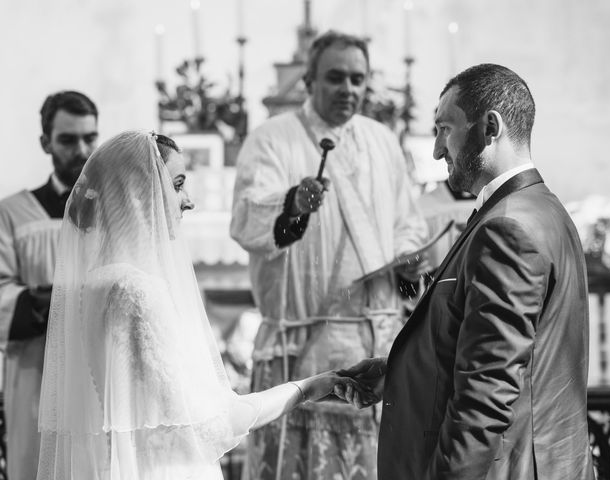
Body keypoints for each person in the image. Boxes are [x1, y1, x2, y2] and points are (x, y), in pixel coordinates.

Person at [36, 131, 361, 480]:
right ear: (138, 194)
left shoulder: (92, 284)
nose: (188, 201)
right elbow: (213, 429)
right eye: (177, 185)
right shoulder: (137, 290)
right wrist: (310, 387)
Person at [336, 64, 596, 479]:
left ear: (489, 127)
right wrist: (400, 372)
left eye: (445, 129)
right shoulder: (543, 208)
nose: (438, 150)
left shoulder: (508, 228)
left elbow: (487, 393)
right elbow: (496, 350)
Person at [230, 31, 428, 479]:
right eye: (335, 77)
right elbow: (245, 218)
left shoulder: (382, 140)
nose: (348, 89)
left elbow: (407, 223)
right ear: (309, 80)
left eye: (358, 79)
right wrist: (293, 205)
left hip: (376, 346)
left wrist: (408, 261)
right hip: (300, 346)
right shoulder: (271, 141)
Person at [0, 90, 98, 480]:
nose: (82, 149)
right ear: (45, 143)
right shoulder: (13, 214)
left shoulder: (112, 210)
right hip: (35, 373)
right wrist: (57, 300)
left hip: (96, 374)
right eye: (68, 139)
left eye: (90, 138)